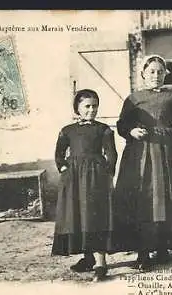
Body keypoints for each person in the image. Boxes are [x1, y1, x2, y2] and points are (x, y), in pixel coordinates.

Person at [113, 54, 172, 272]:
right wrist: (131, 131)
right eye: (152, 71)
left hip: (166, 154)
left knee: (166, 200)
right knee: (142, 200)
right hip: (139, 156)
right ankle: (142, 252)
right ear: (143, 74)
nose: (156, 76)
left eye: (160, 72)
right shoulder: (133, 99)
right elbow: (122, 125)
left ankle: (162, 247)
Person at [52, 89, 118, 282]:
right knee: (78, 215)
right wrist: (64, 169)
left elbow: (111, 154)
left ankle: (100, 262)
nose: (91, 110)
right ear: (78, 108)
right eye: (87, 106)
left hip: (96, 178)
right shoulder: (67, 130)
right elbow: (59, 153)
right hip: (73, 179)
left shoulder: (104, 129)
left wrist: (108, 172)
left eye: (95, 106)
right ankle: (88, 258)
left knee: (95, 215)